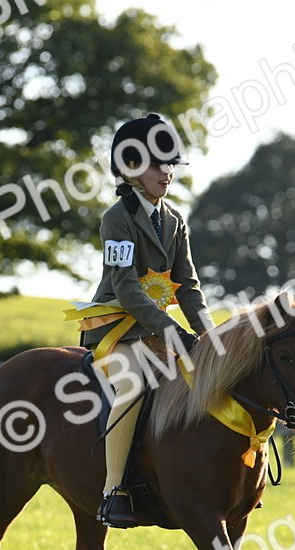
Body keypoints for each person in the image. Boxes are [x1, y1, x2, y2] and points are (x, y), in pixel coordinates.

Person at [79, 113, 213, 528]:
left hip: (157, 333)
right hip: (115, 331)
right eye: (157, 164)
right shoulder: (116, 219)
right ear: (131, 168)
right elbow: (126, 289)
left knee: (209, 377)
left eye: (170, 164)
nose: (167, 172)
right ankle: (113, 490)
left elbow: (188, 286)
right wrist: (170, 328)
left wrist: (212, 336)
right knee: (134, 386)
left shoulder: (175, 221)